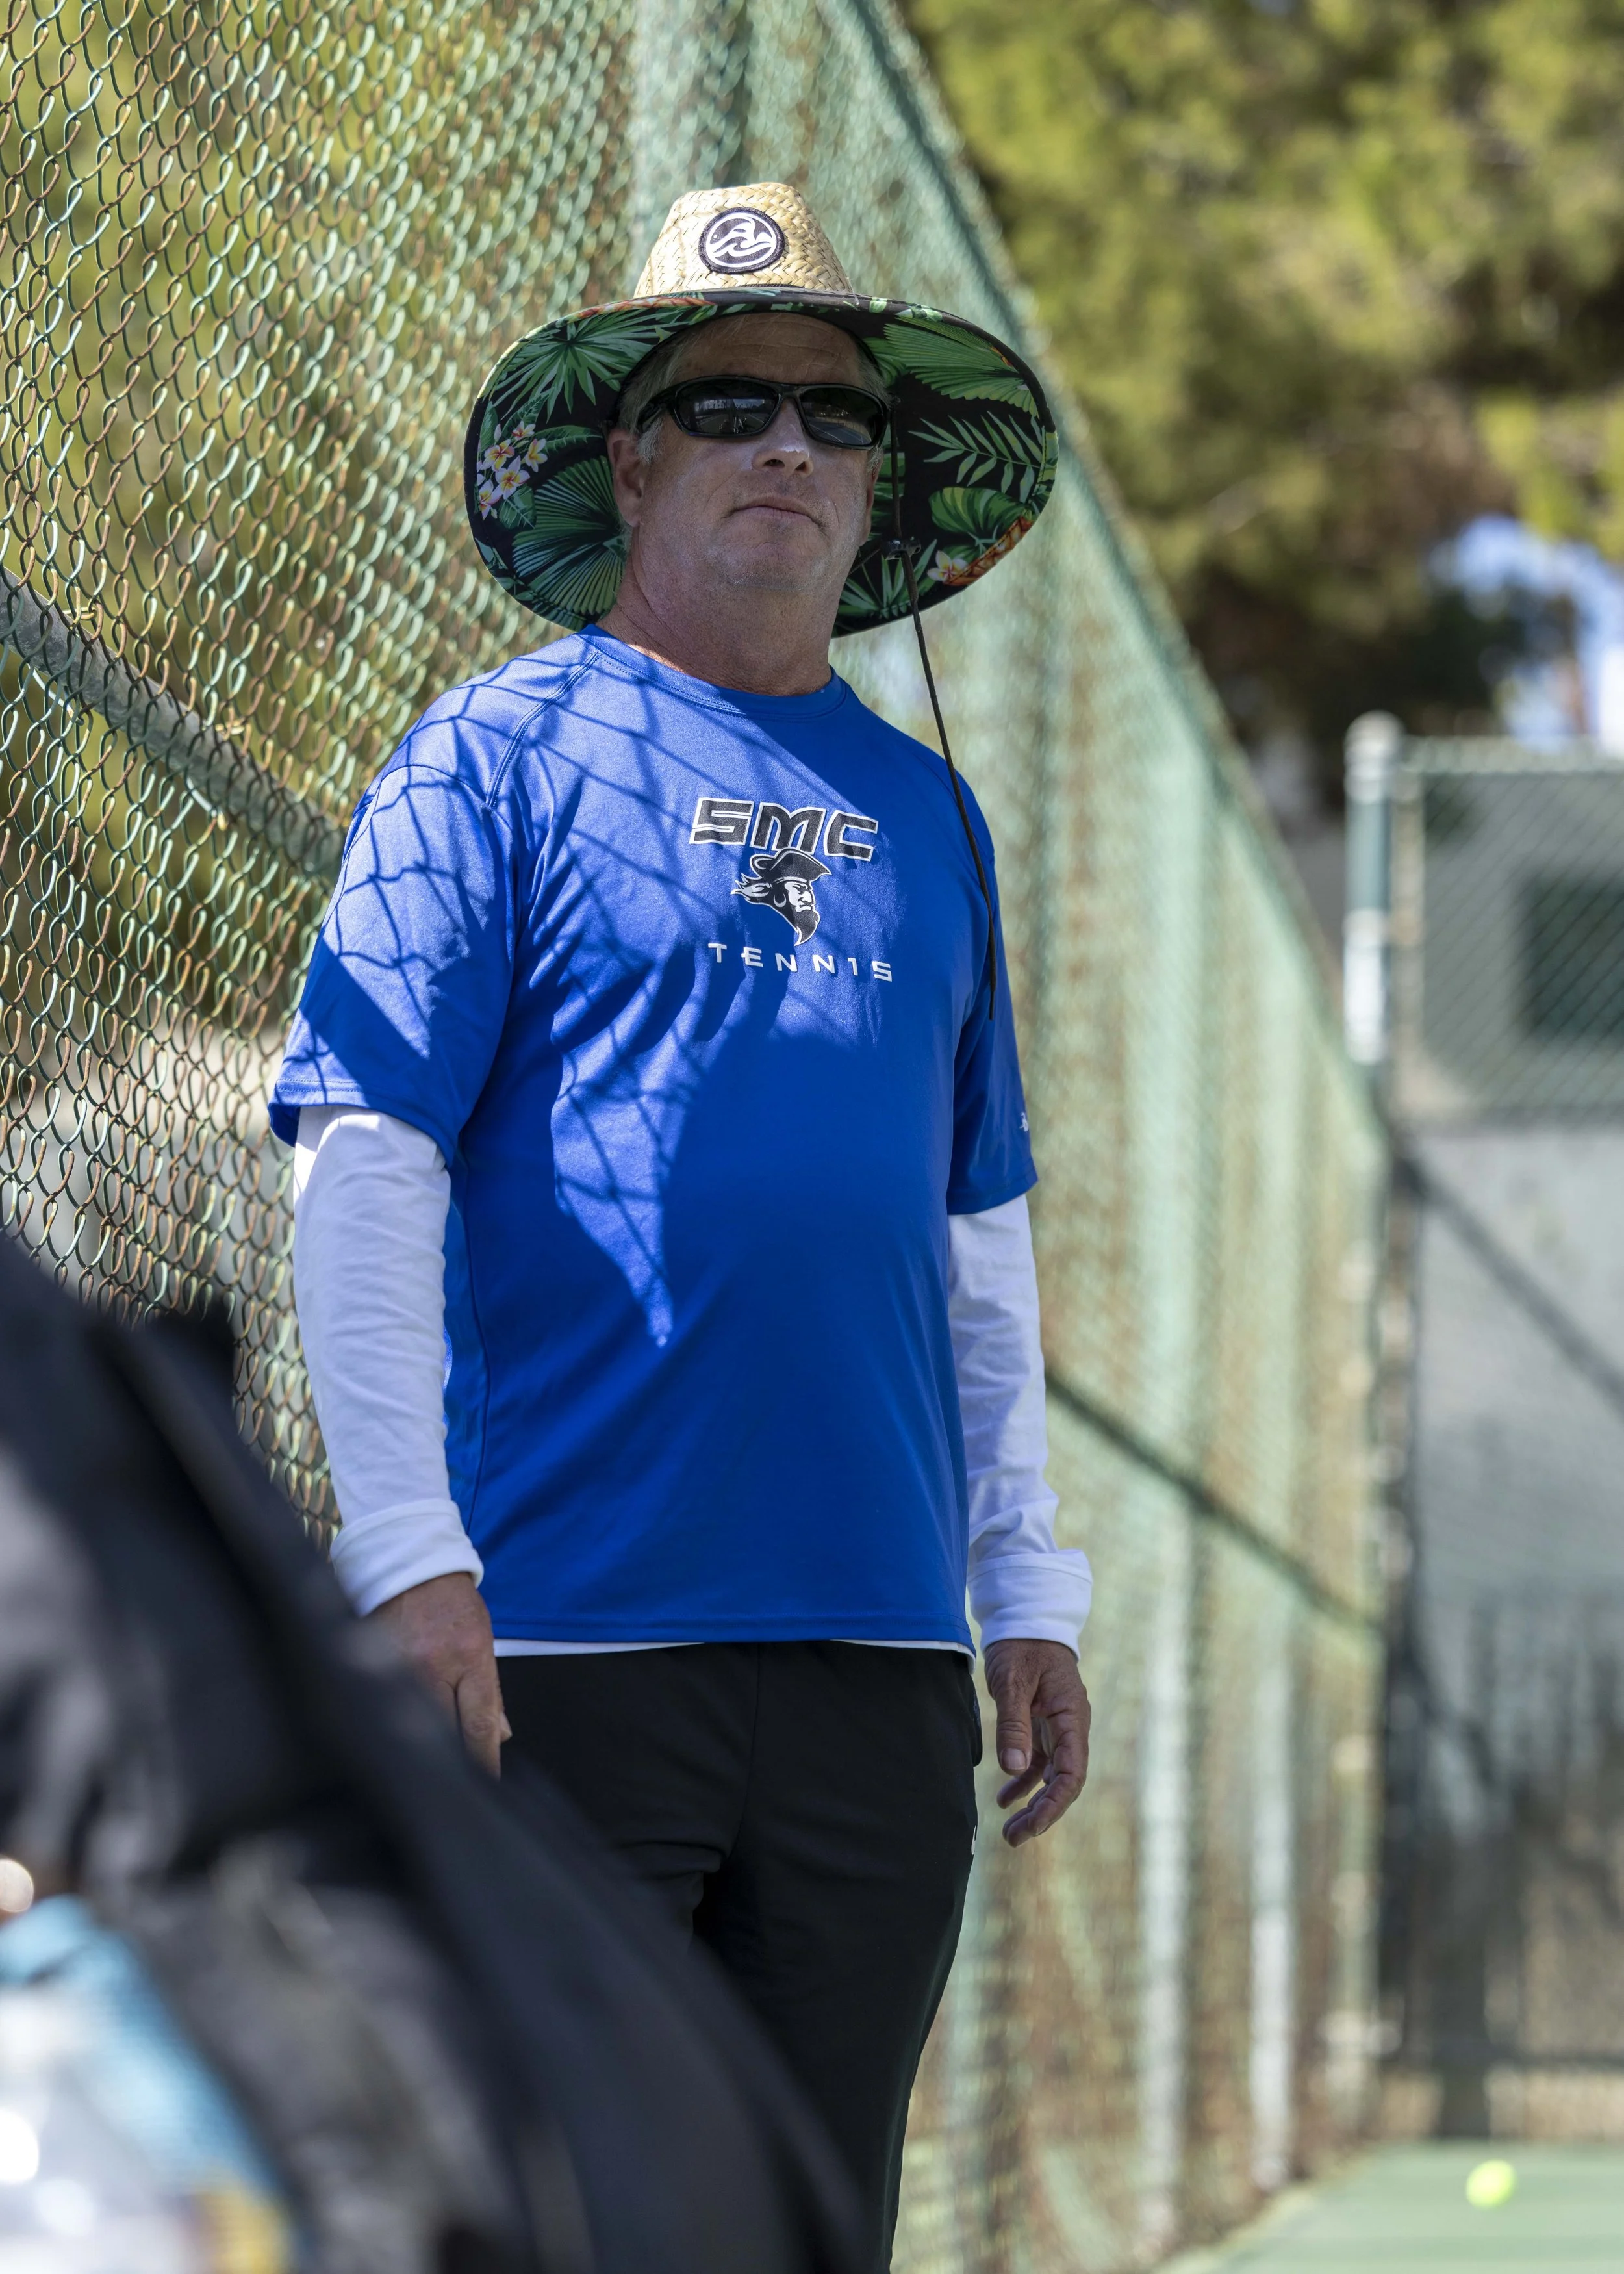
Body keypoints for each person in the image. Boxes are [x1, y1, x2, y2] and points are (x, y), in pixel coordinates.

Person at [270, 183, 1093, 2271]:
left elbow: (973, 1236)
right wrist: (405, 1558)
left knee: (813, 2226)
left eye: (829, 415)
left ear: (878, 479)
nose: (787, 449)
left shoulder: (933, 815)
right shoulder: (488, 757)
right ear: (632, 459)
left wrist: (1027, 1573)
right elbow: (362, 1154)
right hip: (551, 1648)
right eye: (726, 403)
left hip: (882, 1666)